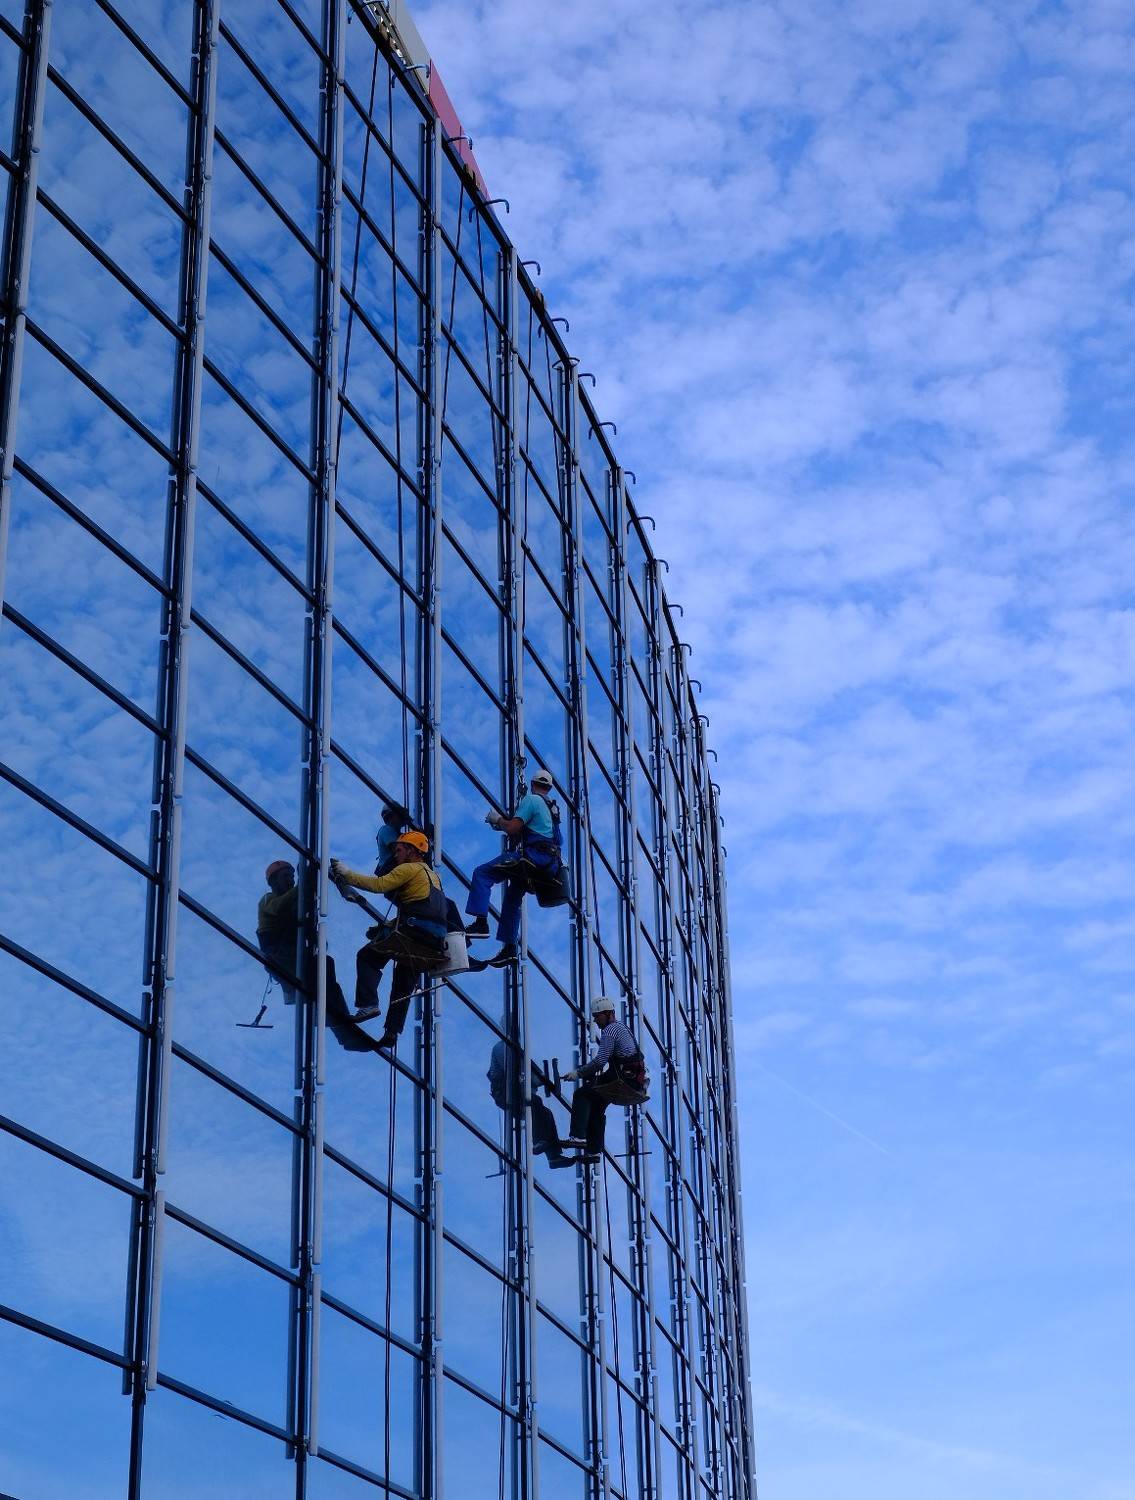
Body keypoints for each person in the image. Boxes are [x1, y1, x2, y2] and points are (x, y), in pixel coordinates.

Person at [331, 830, 448, 1048]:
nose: (396, 855)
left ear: (412, 850)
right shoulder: (434, 878)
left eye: (399, 850)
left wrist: (346, 874)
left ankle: (368, 1004)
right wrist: (383, 928)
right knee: (403, 983)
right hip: (432, 942)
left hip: (414, 931)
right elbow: (423, 910)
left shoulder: (409, 868)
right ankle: (392, 1033)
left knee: (367, 956)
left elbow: (379, 885)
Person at [465, 768, 563, 966]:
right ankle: (510, 949)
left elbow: (512, 828)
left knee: (482, 873)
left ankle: (481, 923)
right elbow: (555, 839)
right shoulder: (552, 810)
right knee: (513, 897)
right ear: (549, 788)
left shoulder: (532, 800)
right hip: (548, 864)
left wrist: (497, 820)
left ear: (533, 785)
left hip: (533, 858)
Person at [562, 996, 648, 1160]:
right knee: (596, 1107)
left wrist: (578, 1073)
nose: (595, 1021)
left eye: (597, 1016)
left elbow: (600, 1061)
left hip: (623, 1079)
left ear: (608, 1014)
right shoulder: (621, 1027)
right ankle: (594, 1151)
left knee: (581, 1094)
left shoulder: (610, 1030)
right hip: (631, 1080)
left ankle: (578, 1136)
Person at [488, 1022, 571, 1168]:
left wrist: (545, 1079)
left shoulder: (517, 1051)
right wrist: (538, 1077)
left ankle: (554, 1157)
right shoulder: (502, 1047)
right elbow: (513, 1069)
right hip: (505, 1093)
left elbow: (529, 1076)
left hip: (516, 1093)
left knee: (547, 1113)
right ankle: (539, 1142)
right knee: (535, 1102)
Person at [257, 860, 300, 1003]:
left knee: (327, 965)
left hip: (289, 954)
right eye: (286, 876)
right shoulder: (267, 900)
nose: (291, 880)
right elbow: (278, 907)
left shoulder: (293, 902)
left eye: (292, 877)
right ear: (273, 881)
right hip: (279, 956)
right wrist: (303, 885)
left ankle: (337, 1013)